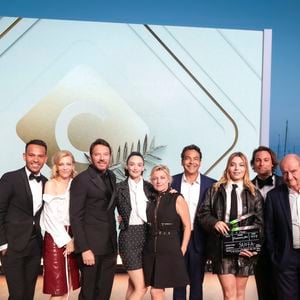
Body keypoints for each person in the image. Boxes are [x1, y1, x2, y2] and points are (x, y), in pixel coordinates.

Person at [198, 152, 264, 300]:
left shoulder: (255, 193)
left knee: (240, 295)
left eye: (241, 165)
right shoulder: (214, 190)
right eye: (233, 164)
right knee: (229, 294)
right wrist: (215, 222)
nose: (236, 168)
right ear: (228, 167)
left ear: (246, 168)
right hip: (222, 249)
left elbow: (259, 224)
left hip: (245, 250)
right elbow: (203, 214)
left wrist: (252, 247)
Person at [70, 138, 117, 300]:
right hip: (91, 248)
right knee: (89, 293)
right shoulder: (81, 180)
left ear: (110, 156)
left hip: (110, 246)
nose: (102, 158)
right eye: (97, 154)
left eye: (105, 154)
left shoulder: (112, 176)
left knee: (104, 293)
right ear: (91, 157)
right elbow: (75, 217)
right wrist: (84, 249)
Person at [0, 139, 48, 300]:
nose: (36, 159)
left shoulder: (46, 183)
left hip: (34, 246)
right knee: (17, 294)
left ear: (45, 159)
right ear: (24, 156)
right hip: (12, 246)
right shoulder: (10, 178)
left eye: (40, 156)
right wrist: (2, 243)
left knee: (28, 293)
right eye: (31, 155)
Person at [172, 144, 216, 300]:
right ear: (182, 161)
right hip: (176, 238)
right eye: (188, 158)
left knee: (197, 283)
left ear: (200, 162)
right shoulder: (172, 182)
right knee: (178, 281)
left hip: (200, 239)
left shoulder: (212, 184)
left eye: (196, 159)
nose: (192, 162)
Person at [143, 164, 191, 300]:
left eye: (162, 178)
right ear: (151, 181)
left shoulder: (177, 198)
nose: (159, 181)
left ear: (168, 179)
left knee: (155, 291)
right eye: (155, 178)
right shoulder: (150, 199)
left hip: (169, 249)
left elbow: (187, 226)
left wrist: (183, 248)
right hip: (151, 250)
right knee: (156, 290)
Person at [40, 150, 80, 299]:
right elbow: (50, 218)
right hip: (55, 238)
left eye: (68, 164)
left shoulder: (76, 183)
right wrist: (67, 241)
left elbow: (80, 214)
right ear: (56, 166)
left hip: (72, 236)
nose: (65, 167)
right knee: (58, 289)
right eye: (61, 164)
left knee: (67, 289)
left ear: (73, 166)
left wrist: (75, 239)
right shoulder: (51, 184)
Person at [116, 151, 153, 300]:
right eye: (132, 164)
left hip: (147, 236)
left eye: (139, 165)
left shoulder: (150, 188)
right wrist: (120, 218)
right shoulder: (119, 187)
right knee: (141, 286)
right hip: (128, 237)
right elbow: (104, 207)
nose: (135, 167)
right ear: (126, 167)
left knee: (133, 284)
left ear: (144, 167)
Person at [264, 154, 300, 299]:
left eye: (293, 171)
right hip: (286, 259)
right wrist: (276, 257)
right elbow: (269, 230)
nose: (289, 176)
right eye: (284, 172)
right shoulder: (274, 196)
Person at [250, 146, 283, 300]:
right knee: (263, 289)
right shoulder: (246, 187)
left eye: (265, 160)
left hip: (281, 245)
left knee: (284, 289)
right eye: (258, 160)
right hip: (258, 247)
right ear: (253, 165)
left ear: (272, 164)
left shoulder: (285, 183)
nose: (261, 163)